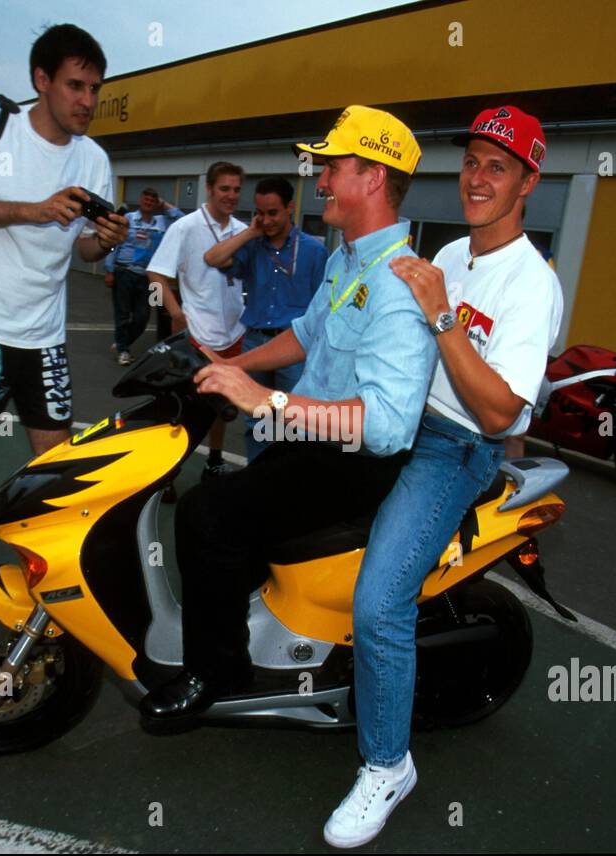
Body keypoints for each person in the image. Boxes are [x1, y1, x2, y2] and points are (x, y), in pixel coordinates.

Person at [138, 105, 437, 723]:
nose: (320, 179)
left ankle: (215, 676)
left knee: (206, 512)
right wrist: (230, 365)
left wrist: (265, 400)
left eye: (332, 167)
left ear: (373, 179)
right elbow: (304, 336)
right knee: (234, 504)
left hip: (357, 460)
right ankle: (245, 621)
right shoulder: (348, 257)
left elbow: (385, 426)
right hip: (314, 438)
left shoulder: (400, 284)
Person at [317, 106, 562, 848]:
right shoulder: (450, 253)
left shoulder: (532, 283)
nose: (477, 178)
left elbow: (497, 413)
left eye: (497, 166)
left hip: (456, 447)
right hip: (400, 421)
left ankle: (387, 764)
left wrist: (442, 316)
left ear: (528, 181)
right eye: (472, 162)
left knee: (380, 599)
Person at [0, 24, 127, 576]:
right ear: (41, 80)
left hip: (41, 336)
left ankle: (57, 579)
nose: (88, 101)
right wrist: (30, 209)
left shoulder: (93, 160)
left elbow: (81, 250)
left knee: (55, 466)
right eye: (76, 85)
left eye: (95, 89)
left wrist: (102, 244)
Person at [202, 175, 328, 460]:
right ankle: (257, 475)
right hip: (256, 343)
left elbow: (324, 307)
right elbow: (213, 259)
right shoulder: (252, 246)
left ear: (290, 208)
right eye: (260, 213)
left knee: (295, 419)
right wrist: (250, 233)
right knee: (257, 419)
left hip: (294, 347)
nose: (266, 220)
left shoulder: (314, 251)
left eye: (273, 213)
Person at [147, 162, 247, 478]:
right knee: (184, 407)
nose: (230, 195)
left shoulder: (244, 232)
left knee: (223, 406)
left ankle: (213, 460)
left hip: (235, 335)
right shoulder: (186, 227)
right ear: (209, 188)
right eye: (224, 188)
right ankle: (167, 470)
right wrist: (176, 313)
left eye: (236, 189)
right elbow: (154, 274)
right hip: (196, 337)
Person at [104, 188, 183, 365]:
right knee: (122, 314)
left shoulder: (162, 222)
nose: (148, 203)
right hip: (124, 272)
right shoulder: (128, 219)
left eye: (152, 201)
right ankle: (123, 351)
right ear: (140, 200)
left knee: (142, 317)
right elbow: (113, 244)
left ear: (156, 204)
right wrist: (109, 270)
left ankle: (121, 342)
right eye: (145, 200)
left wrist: (163, 204)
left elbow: (180, 218)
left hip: (150, 278)